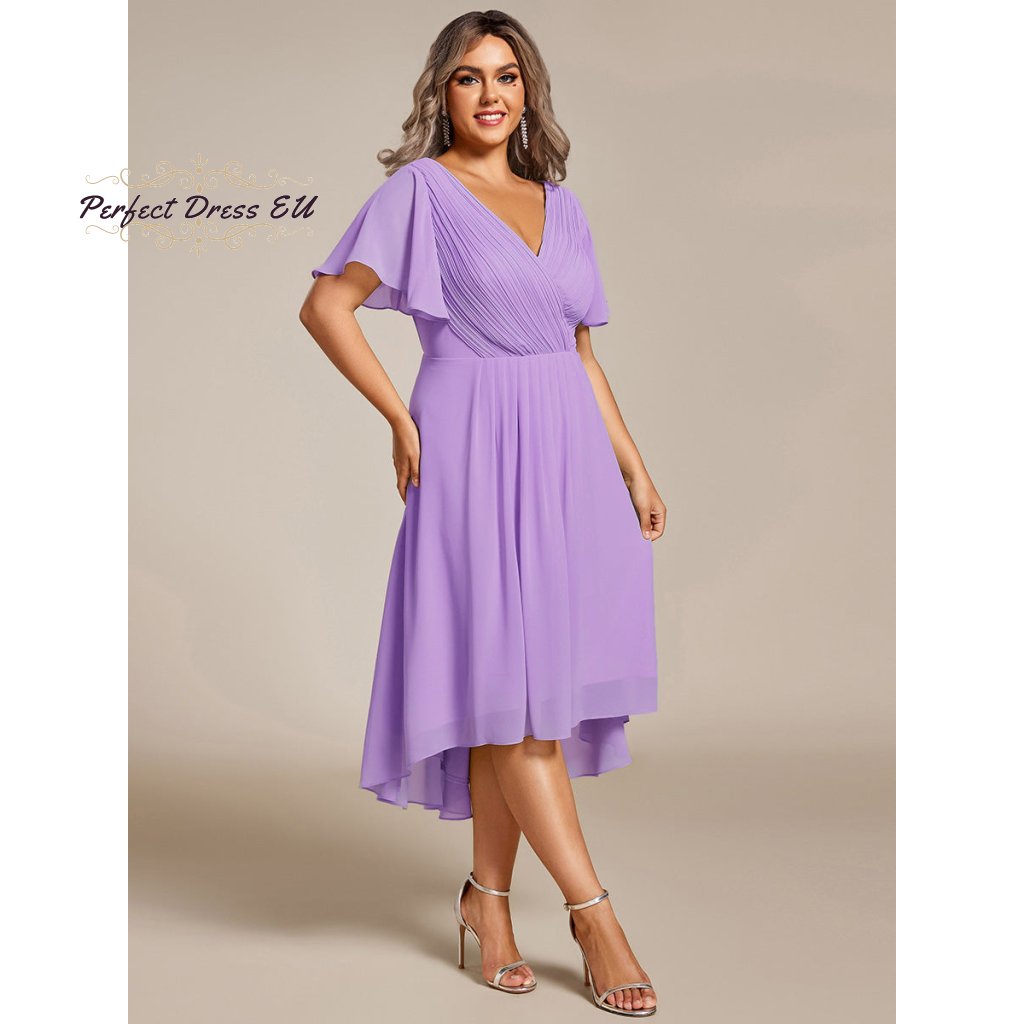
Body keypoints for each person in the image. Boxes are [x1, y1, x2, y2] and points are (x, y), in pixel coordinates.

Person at [299, 11, 666, 1017]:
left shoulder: (563, 206)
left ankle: (487, 902)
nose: (491, 93)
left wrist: (632, 467)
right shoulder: (419, 193)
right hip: (469, 446)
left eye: (507, 75)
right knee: (511, 689)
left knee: (518, 696)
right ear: (442, 92)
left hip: (566, 456)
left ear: (528, 91)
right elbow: (326, 306)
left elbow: (579, 353)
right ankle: (594, 915)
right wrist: (397, 416)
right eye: (469, 77)